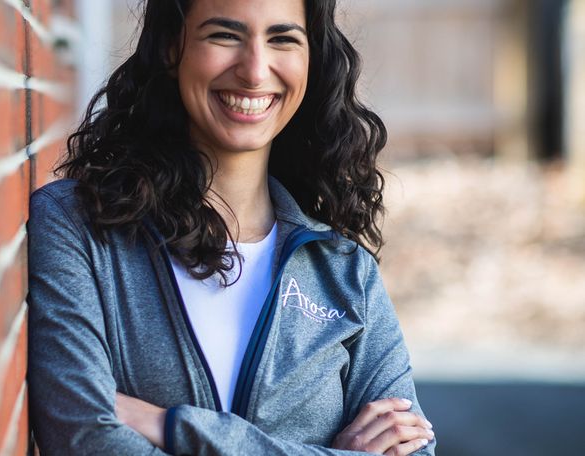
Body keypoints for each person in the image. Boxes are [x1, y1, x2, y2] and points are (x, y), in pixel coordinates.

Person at [26, 0, 436, 454]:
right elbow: (84, 437)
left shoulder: (342, 272)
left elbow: (414, 449)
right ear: (170, 48)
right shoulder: (79, 227)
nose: (255, 71)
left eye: (282, 39)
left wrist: (168, 425)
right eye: (224, 35)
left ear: (311, 60)